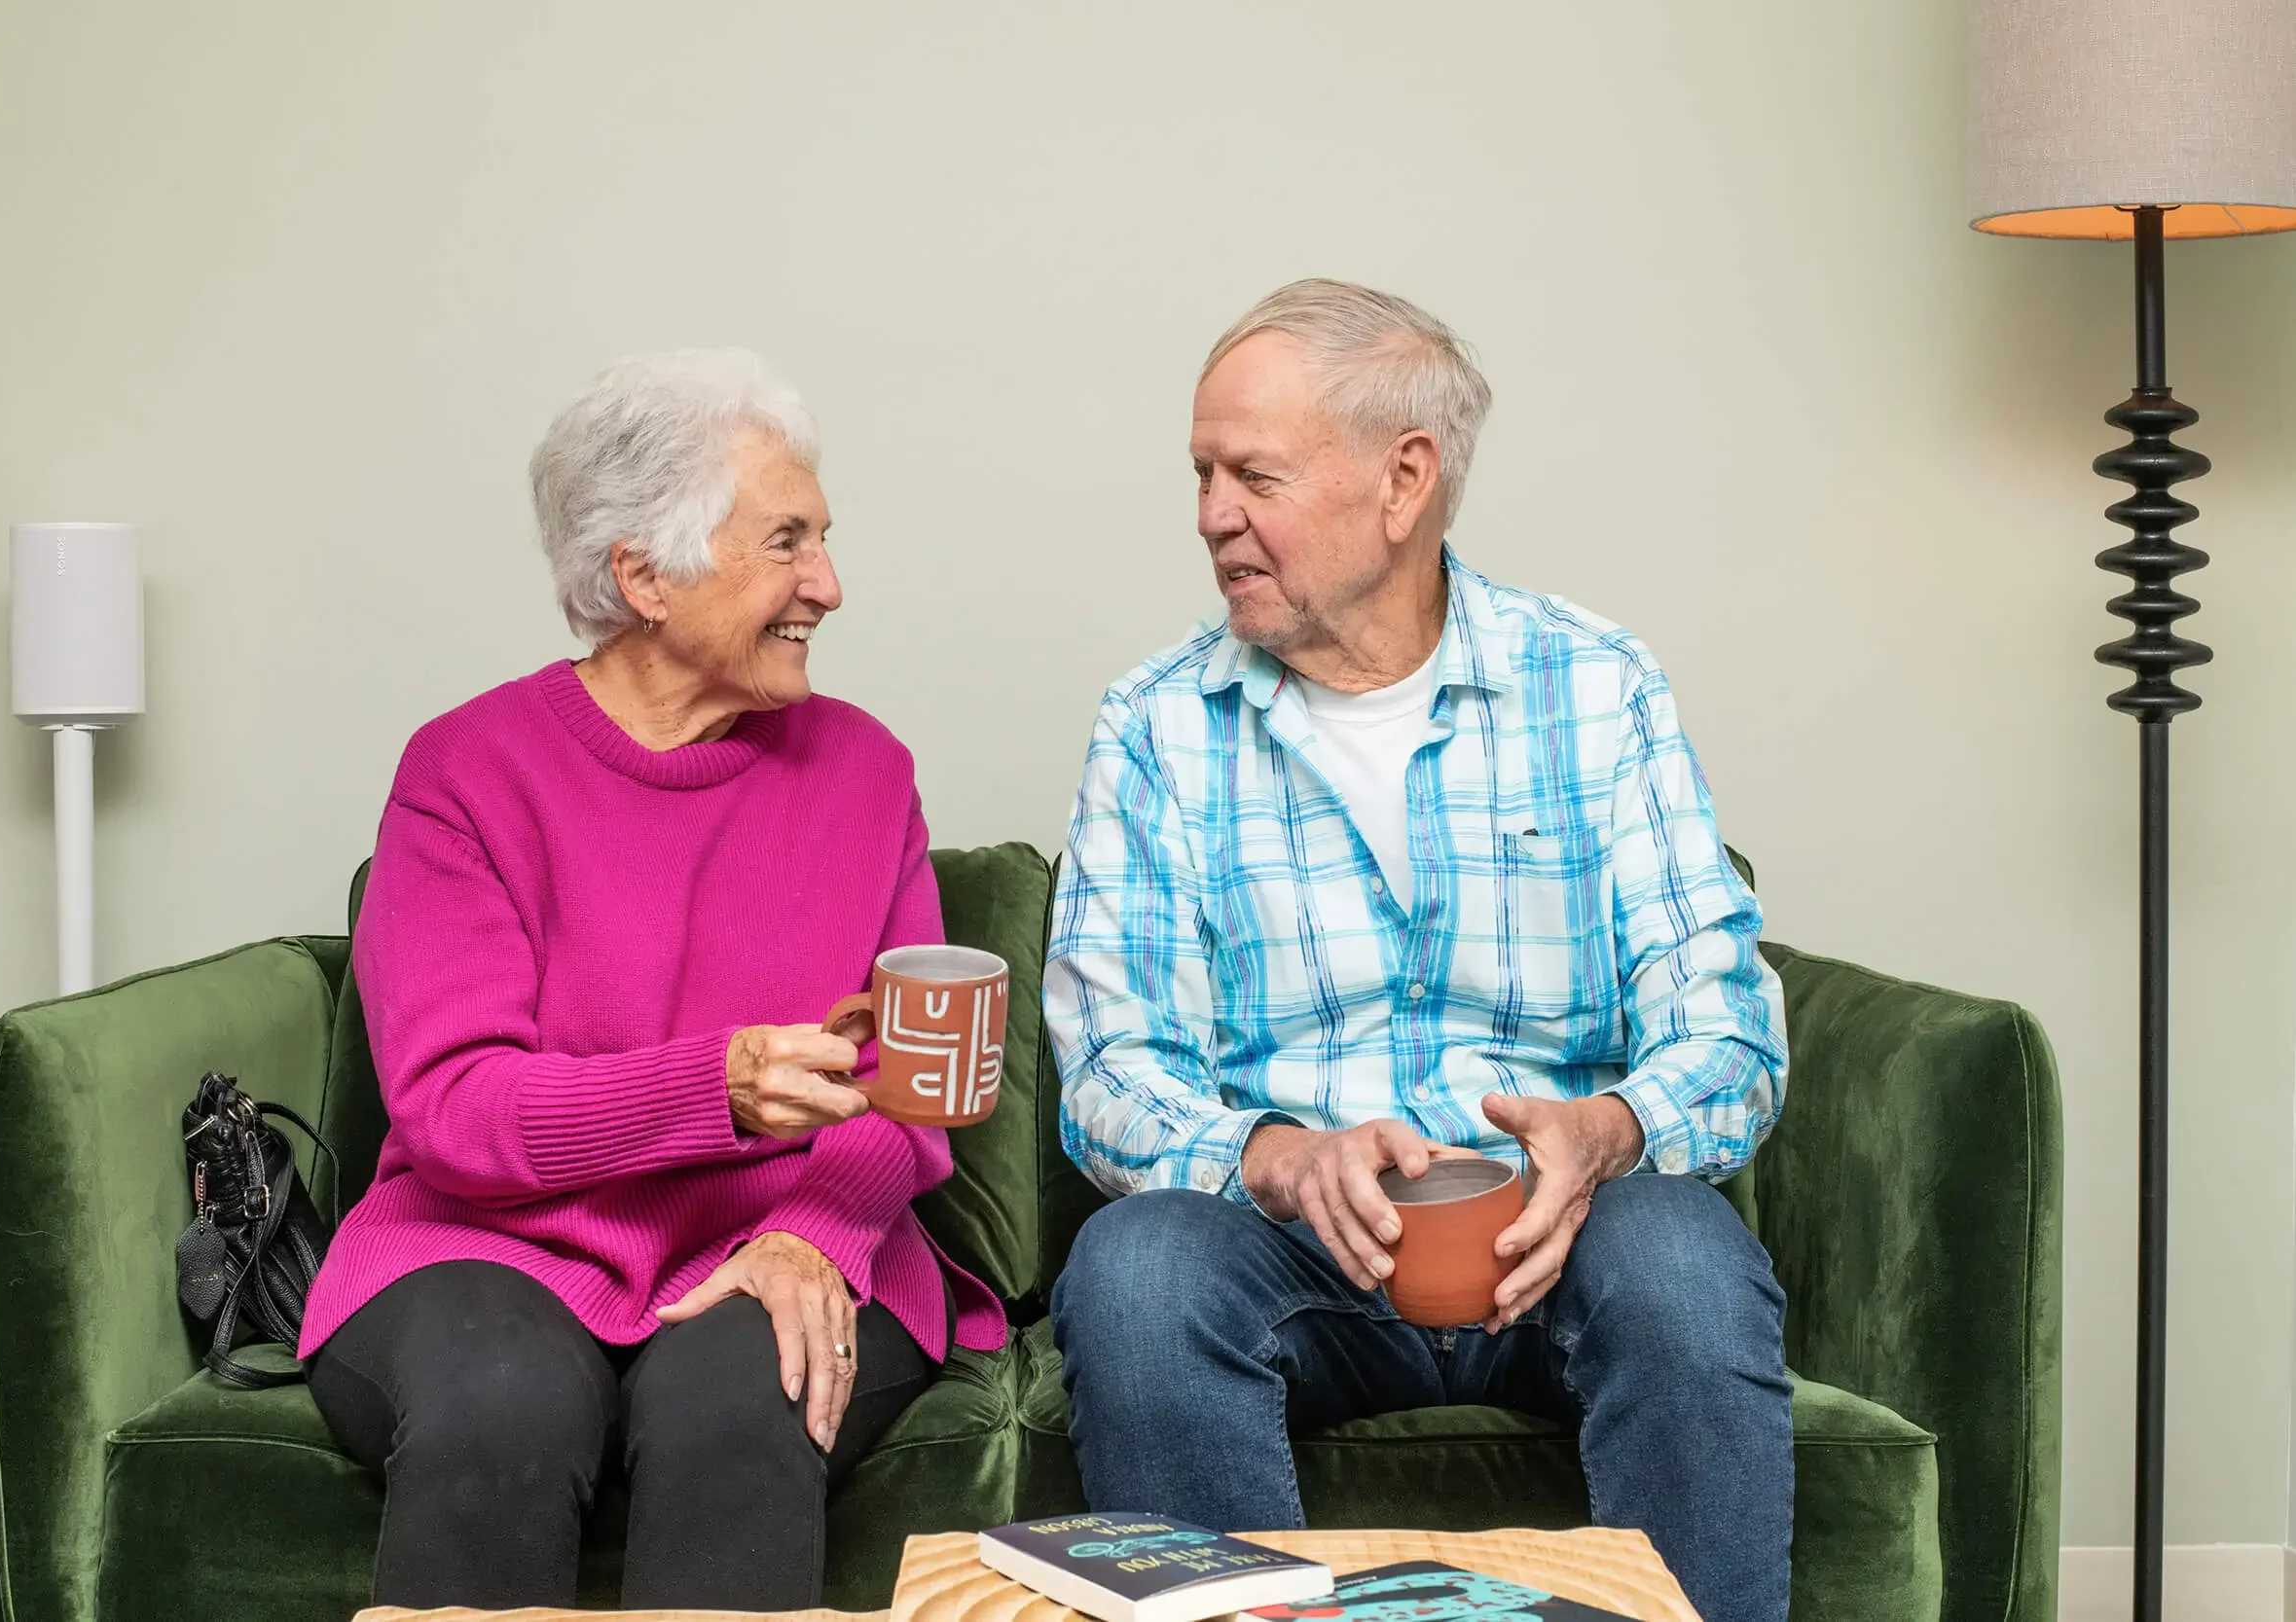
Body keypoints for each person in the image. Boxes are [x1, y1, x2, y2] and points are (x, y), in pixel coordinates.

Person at [1042, 280, 1792, 1622]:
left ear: (1404, 481)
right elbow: (1110, 1065)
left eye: (1251, 473)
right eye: (1203, 473)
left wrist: (1609, 1131)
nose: (1212, 512)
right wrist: (1277, 1157)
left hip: (1561, 1232)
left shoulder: (1595, 683)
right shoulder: (1157, 725)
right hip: (1296, 1254)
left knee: (1681, 1256)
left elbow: (1725, 1018)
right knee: (1137, 1267)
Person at [298, 350, 1004, 1613]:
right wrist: (717, 1086)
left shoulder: (863, 773)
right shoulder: (468, 773)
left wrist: (813, 1233)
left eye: (824, 540)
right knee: (496, 1398)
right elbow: (456, 1109)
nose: (829, 587)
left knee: (742, 1388)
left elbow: (909, 1092)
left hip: (784, 1230)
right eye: (787, 543)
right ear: (643, 573)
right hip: (485, 1242)